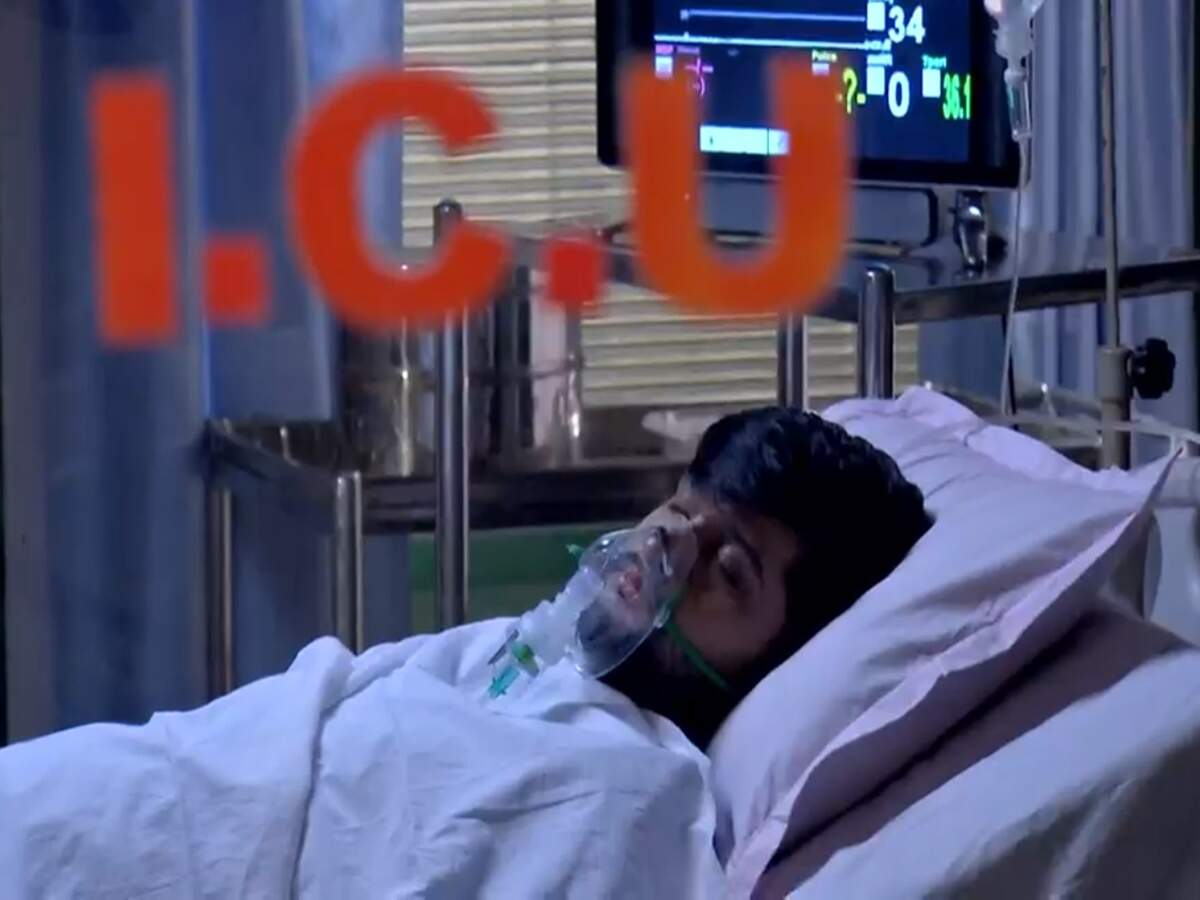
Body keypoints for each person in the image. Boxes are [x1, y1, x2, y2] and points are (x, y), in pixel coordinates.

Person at [601, 406, 933, 748]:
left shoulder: (626, 769)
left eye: (728, 570)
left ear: (779, 661)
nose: (659, 546)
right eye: (678, 512)